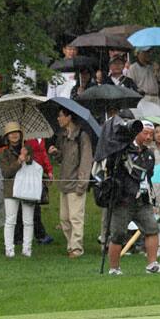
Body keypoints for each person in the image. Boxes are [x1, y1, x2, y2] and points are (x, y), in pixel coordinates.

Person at [107, 123, 160, 275]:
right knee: (118, 234)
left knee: (152, 229)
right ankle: (114, 268)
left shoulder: (149, 153)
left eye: (151, 134)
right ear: (136, 133)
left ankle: (152, 264)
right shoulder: (123, 150)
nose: (149, 137)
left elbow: (149, 174)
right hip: (123, 199)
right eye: (145, 133)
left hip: (142, 199)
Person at [47, 108, 93, 258]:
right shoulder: (62, 136)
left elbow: (86, 161)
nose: (58, 119)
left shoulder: (82, 136)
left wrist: (82, 184)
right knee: (64, 219)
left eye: (60, 116)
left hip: (76, 183)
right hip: (64, 182)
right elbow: (63, 158)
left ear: (69, 117)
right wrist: (56, 153)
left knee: (75, 218)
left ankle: (76, 249)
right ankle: (70, 245)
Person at [0, 123, 39, 258]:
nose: (14, 135)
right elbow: (6, 173)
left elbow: (33, 165)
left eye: (16, 132)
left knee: (28, 220)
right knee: (10, 220)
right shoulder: (4, 153)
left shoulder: (27, 148)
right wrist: (18, 161)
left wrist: (27, 157)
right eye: (11, 133)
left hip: (28, 188)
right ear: (7, 136)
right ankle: (9, 249)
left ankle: (27, 249)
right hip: (11, 190)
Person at [24, 137, 53, 245]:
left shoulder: (41, 139)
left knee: (35, 206)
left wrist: (49, 170)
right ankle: (39, 234)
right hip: (28, 174)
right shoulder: (27, 139)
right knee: (31, 207)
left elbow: (43, 154)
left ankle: (40, 234)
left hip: (37, 175)